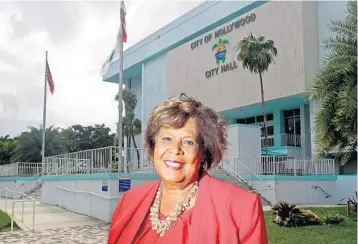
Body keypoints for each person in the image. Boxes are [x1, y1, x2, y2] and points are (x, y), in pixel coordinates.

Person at [107, 93, 268, 244]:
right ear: (154, 145)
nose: (175, 149)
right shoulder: (129, 201)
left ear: (203, 152)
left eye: (188, 142)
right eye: (167, 139)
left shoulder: (241, 207)